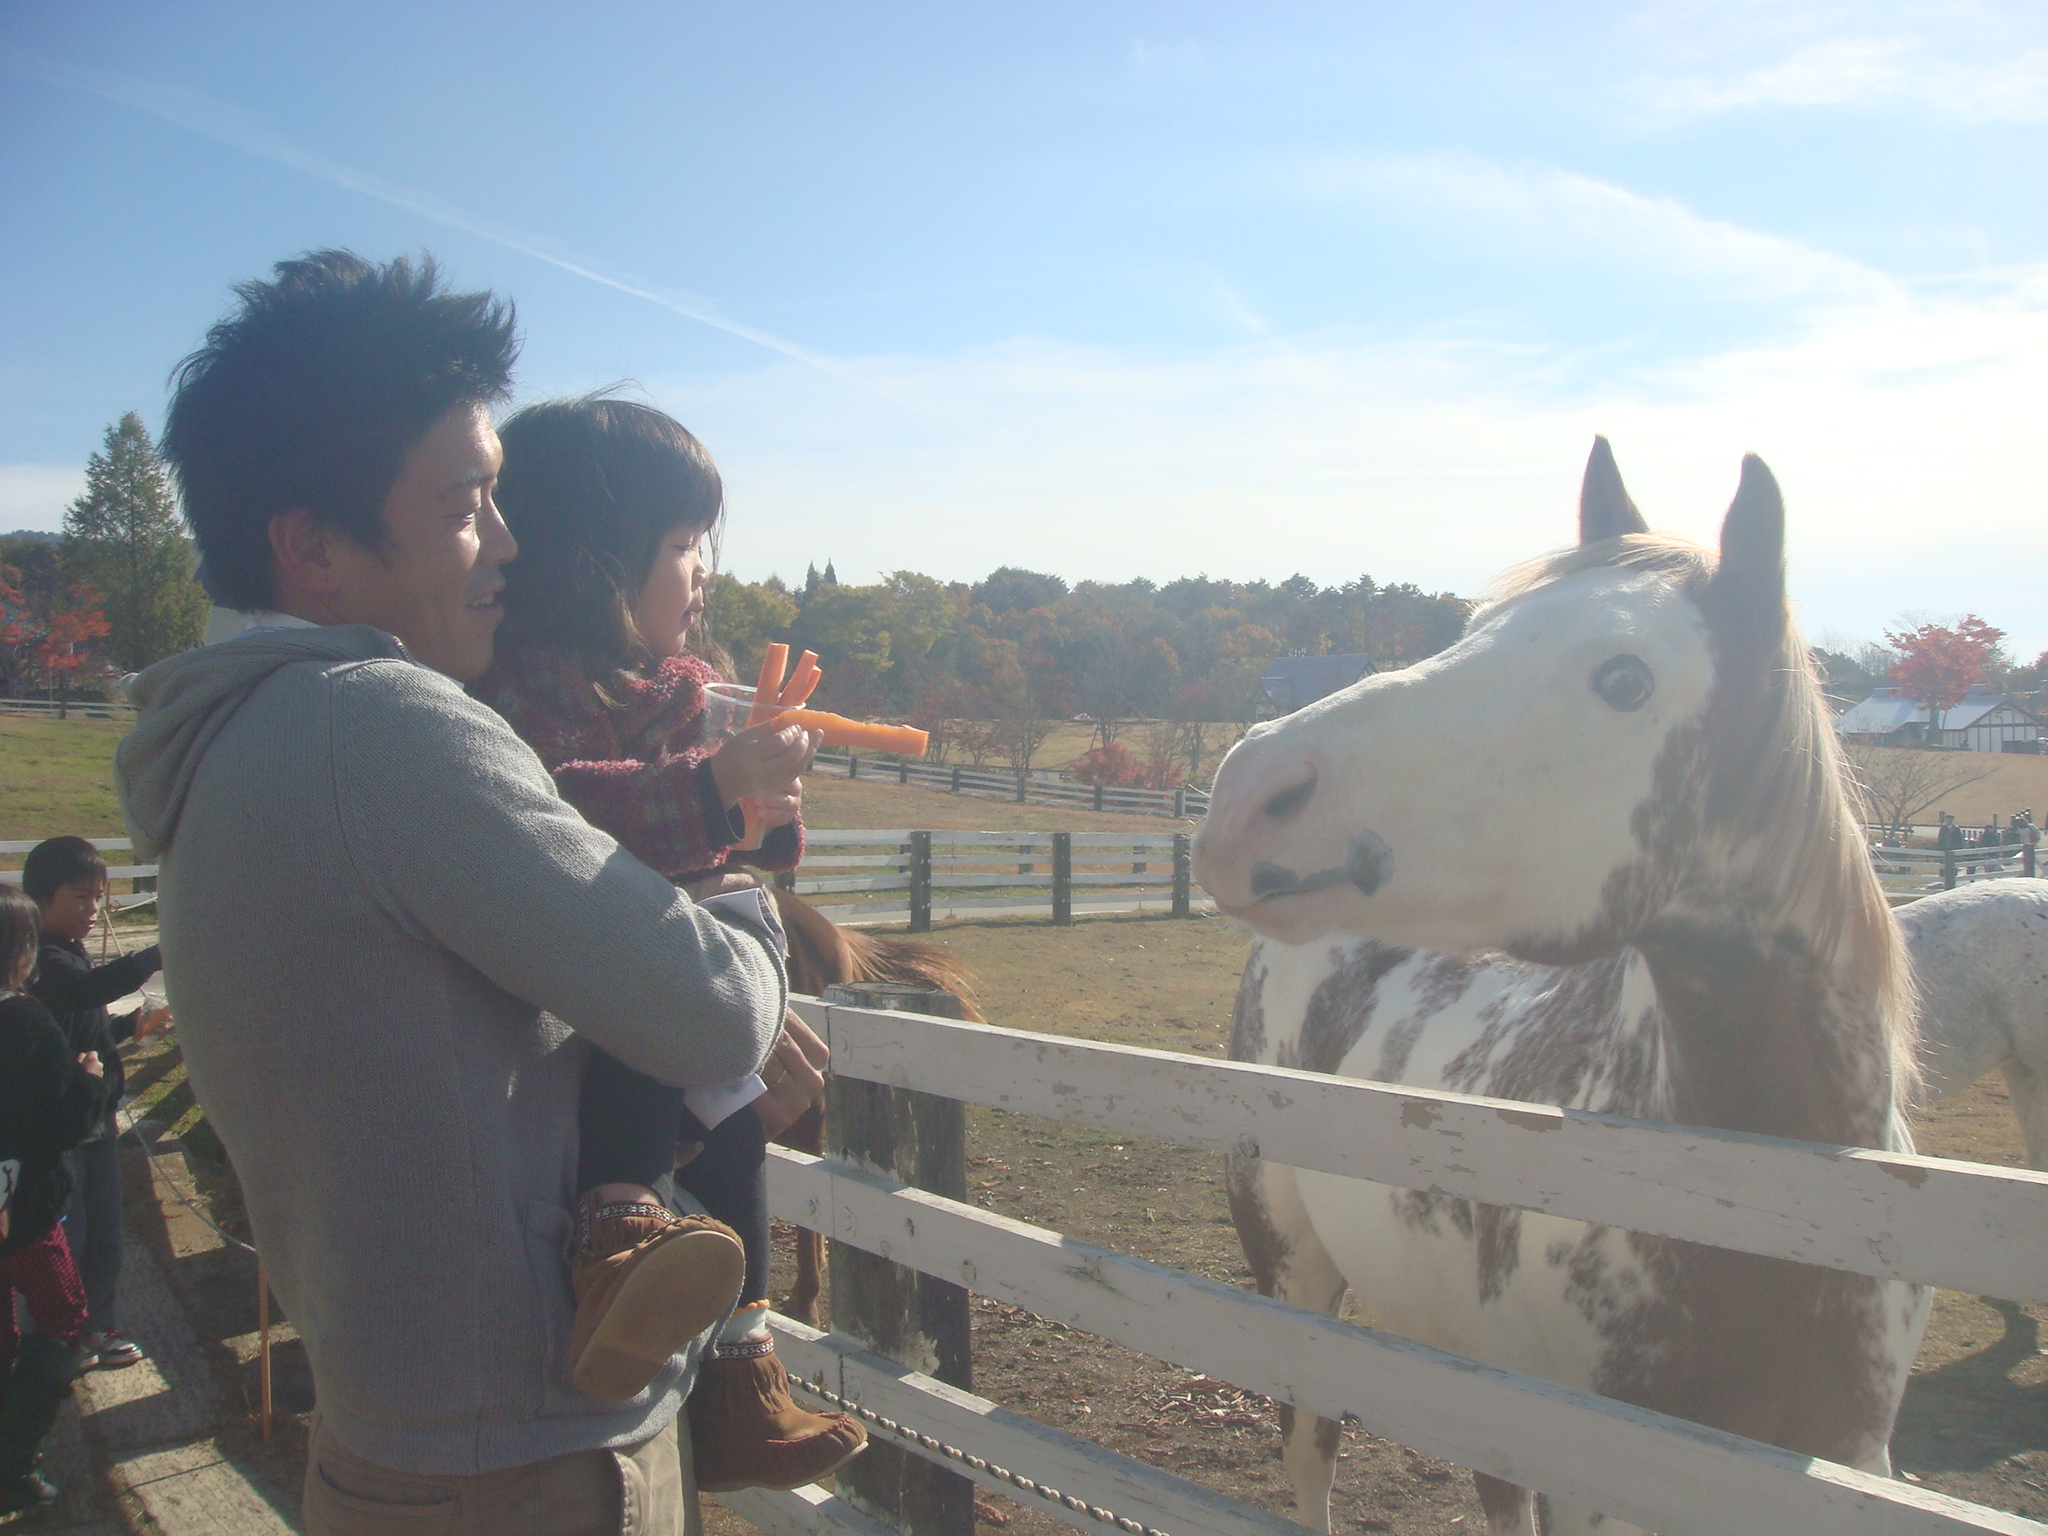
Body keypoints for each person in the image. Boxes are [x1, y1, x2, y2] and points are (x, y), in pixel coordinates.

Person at [117, 250, 789, 1536]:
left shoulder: (221, 739)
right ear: (310, 545)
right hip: (527, 1468)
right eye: (467, 505)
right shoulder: (384, 731)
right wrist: (745, 879)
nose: (510, 544)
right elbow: (711, 1016)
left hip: (397, 1432)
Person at [473, 395, 863, 1492]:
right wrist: (707, 791)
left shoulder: (686, 685)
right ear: (593, 562)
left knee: (741, 1132)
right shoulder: (527, 688)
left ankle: (742, 1372)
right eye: (682, 547)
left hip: (691, 961)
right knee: (665, 1041)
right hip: (620, 979)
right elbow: (553, 808)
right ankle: (620, 1236)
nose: (701, 573)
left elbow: (763, 849)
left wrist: (767, 796)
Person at [21, 836, 171, 1370]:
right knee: (67, 1236)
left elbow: (86, 1022)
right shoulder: (42, 958)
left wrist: (130, 1025)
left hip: (97, 1118)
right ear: (41, 897)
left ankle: (94, 1326)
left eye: (100, 897)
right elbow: (82, 991)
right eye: (82, 896)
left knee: (106, 1232)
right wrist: (159, 951)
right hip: (62, 1124)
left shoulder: (73, 952)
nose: (94, 909)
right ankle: (55, 1336)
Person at [0, 884, 105, 1515]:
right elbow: (64, 1122)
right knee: (63, 1317)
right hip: (27, 1209)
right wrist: (89, 1081)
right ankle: (15, 1460)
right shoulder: (23, 1017)